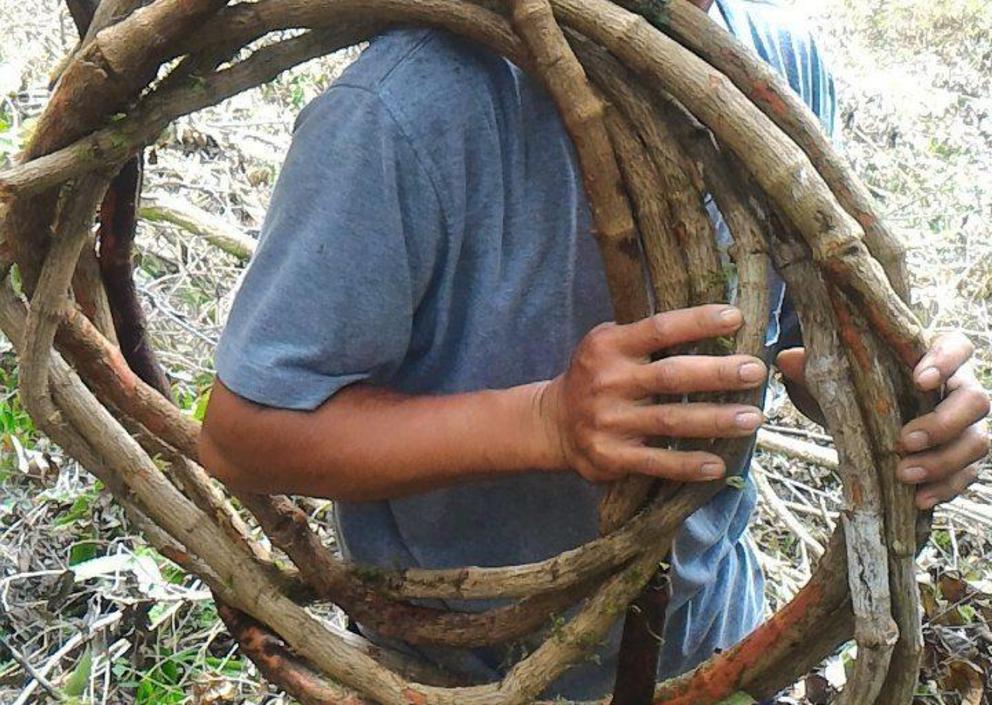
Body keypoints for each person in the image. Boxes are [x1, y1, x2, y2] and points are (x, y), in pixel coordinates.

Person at [199, 0, 990, 697]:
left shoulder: (773, 68)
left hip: (707, 637)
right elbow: (243, 433)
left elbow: (795, 341)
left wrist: (890, 403)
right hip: (456, 669)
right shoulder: (404, 111)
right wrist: (543, 420)